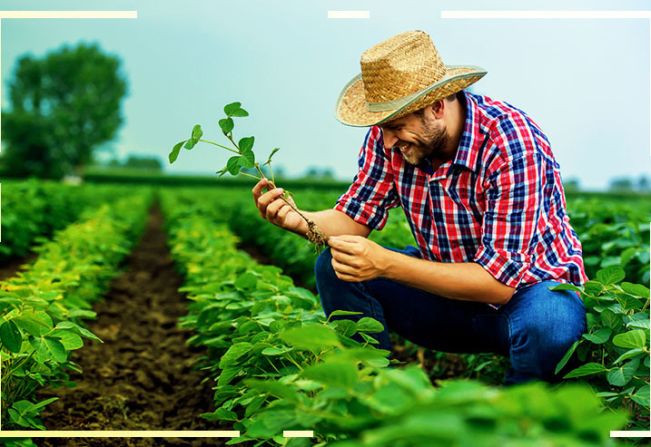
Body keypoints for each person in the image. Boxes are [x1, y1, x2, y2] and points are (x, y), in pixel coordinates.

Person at [252, 30, 587, 385]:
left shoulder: (512, 143)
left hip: (527, 298)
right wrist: (299, 220)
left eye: (396, 126)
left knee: (550, 325)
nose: (387, 140)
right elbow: (354, 218)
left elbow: (498, 283)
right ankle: (370, 393)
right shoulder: (393, 140)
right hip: (450, 300)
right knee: (337, 266)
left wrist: (386, 264)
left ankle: (509, 423)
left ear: (437, 107)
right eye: (382, 128)